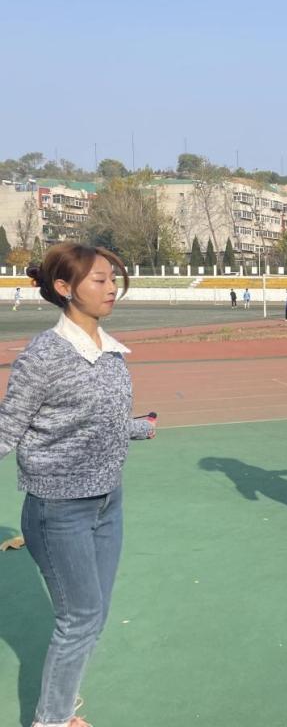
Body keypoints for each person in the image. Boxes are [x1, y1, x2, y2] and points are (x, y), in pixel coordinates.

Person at [4, 243, 156, 727]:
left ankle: (61, 707)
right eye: (99, 280)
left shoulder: (108, 350)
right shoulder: (44, 355)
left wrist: (138, 427)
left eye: (113, 279)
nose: (111, 288)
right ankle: (51, 720)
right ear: (64, 288)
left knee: (95, 613)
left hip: (108, 501)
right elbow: (8, 428)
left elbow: (92, 417)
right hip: (59, 509)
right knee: (80, 618)